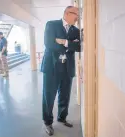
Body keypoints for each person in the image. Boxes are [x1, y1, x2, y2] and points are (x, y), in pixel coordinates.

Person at [41, 6, 81, 136]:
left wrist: (63, 42)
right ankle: (47, 122)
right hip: (51, 67)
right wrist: (70, 44)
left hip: (67, 67)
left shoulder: (75, 30)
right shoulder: (52, 25)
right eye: (76, 14)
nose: (77, 17)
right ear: (67, 13)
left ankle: (62, 117)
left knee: (65, 95)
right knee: (49, 96)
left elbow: (79, 47)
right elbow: (49, 43)